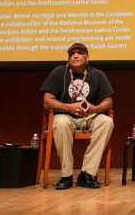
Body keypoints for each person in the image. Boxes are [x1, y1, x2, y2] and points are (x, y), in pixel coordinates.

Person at [40, 42, 114, 189]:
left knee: (106, 122)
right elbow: (47, 101)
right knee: (61, 123)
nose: (75, 55)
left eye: (80, 52)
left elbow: (108, 102)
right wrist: (68, 107)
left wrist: (94, 109)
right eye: (72, 53)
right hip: (65, 116)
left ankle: (87, 174)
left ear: (87, 58)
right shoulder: (58, 72)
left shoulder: (97, 74)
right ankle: (66, 175)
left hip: (89, 117)